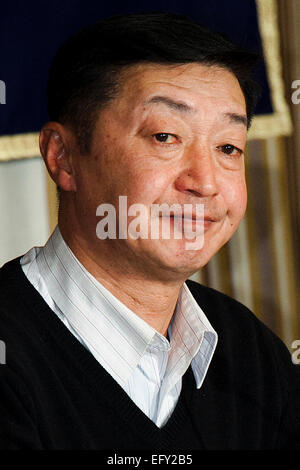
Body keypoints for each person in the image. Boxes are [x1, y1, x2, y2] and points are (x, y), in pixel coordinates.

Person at [0, 12, 299, 451]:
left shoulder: (253, 352)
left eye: (228, 147)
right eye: (165, 136)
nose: (206, 181)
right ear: (63, 157)